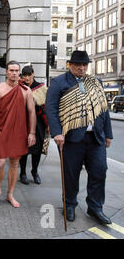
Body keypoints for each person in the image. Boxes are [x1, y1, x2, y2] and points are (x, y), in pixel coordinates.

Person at [46, 51, 113, 225]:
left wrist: (108, 133)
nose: (82, 68)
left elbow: (103, 109)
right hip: (71, 139)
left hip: (96, 138)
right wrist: (57, 132)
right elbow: (51, 109)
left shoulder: (95, 82)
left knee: (99, 171)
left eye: (84, 65)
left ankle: (95, 207)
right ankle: (69, 204)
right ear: (70, 65)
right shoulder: (59, 82)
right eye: (78, 65)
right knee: (70, 174)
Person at [0, 61, 36, 208]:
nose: (14, 73)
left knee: (15, 164)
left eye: (17, 70)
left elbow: (31, 111)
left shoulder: (26, 90)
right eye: (12, 70)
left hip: (19, 132)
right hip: (2, 130)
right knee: (1, 162)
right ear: (6, 72)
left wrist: (32, 133)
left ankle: (10, 194)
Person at [19, 65, 48, 185]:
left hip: (39, 123)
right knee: (23, 149)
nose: (27, 78)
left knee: (37, 149)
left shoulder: (41, 88)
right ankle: (23, 173)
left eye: (29, 75)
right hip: (23, 122)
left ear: (33, 74)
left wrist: (48, 124)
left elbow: (46, 108)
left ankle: (35, 172)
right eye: (24, 75)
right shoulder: (20, 87)